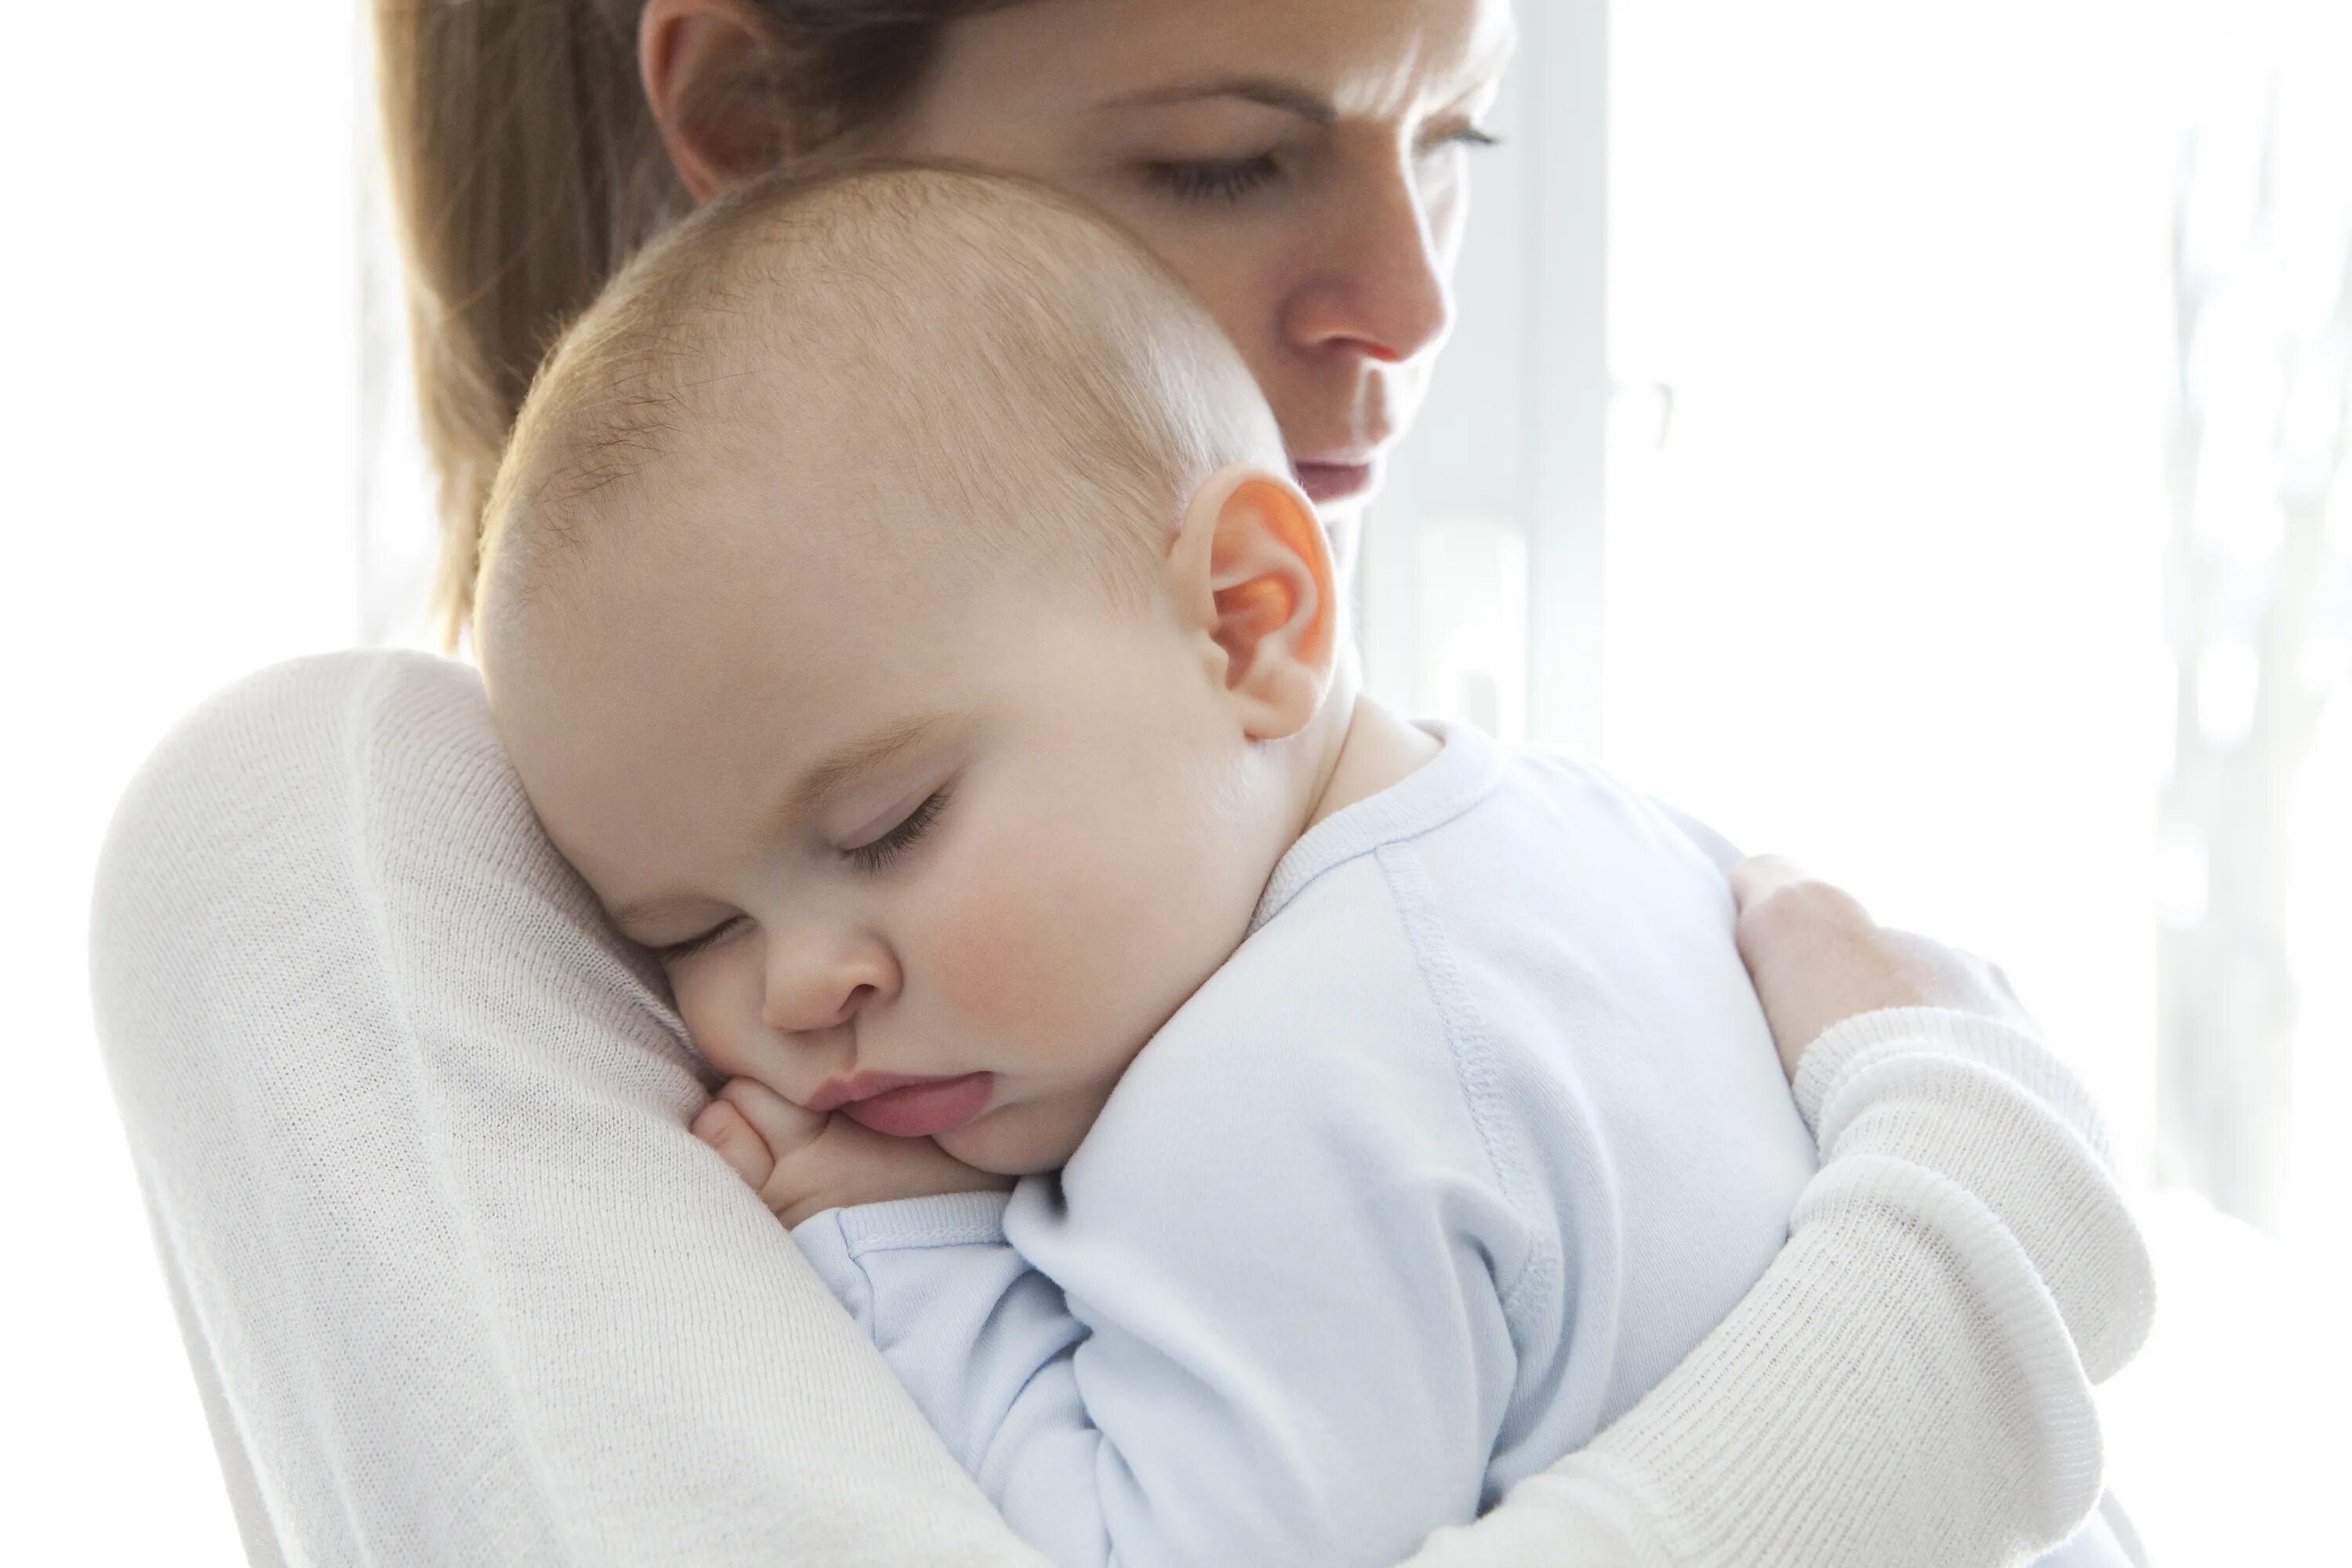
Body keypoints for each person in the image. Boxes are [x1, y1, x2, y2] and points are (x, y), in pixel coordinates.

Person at [85, 2, 2151, 1563]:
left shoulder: (1295, 1005)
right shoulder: (347, 853)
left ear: (1248, 614)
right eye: (1227, 163)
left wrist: (906, 1253)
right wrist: (1964, 1244)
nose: (1421, 304)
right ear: (749, 120)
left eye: (1457, 134)